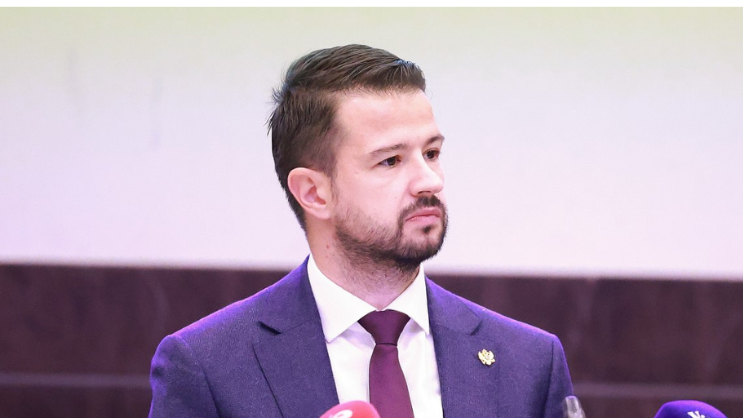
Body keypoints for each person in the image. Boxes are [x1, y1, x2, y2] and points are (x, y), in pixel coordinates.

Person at [148, 44, 573, 418]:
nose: (429, 181)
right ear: (314, 192)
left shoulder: (529, 363)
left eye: (431, 153)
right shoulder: (209, 366)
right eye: (390, 161)